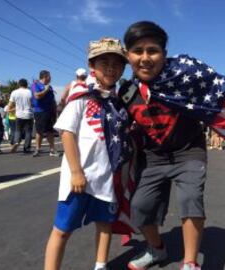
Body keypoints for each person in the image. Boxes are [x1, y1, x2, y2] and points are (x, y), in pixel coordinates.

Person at [120, 21, 206, 270]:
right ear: (128, 55)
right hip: (154, 156)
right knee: (139, 206)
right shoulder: (125, 92)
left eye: (152, 50)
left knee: (191, 197)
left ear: (164, 54)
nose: (145, 58)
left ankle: (190, 262)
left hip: (189, 150)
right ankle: (157, 250)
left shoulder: (184, 81)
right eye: (138, 51)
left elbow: (222, 97)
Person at [44, 37, 131, 270]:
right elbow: (67, 132)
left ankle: (100, 265)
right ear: (92, 66)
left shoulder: (118, 101)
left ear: (123, 69)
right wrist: (76, 172)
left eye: (117, 63)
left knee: (104, 224)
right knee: (62, 230)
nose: (111, 68)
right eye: (104, 62)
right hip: (78, 178)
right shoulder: (81, 95)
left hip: (105, 177)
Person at [31, 70, 60, 157]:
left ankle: (52, 150)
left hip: (49, 111)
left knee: (50, 131)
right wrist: (45, 90)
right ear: (45, 77)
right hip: (40, 111)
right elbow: (37, 96)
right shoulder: (35, 85)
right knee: (39, 131)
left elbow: (53, 100)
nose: (51, 78)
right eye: (49, 76)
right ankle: (37, 149)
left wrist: (55, 111)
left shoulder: (49, 87)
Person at [8, 79, 34, 153]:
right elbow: (33, 103)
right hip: (29, 115)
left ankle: (16, 142)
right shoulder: (30, 92)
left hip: (19, 115)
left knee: (18, 130)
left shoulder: (14, 92)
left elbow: (10, 104)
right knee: (28, 132)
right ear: (26, 84)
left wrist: (10, 109)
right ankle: (27, 148)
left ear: (19, 84)